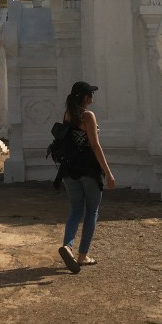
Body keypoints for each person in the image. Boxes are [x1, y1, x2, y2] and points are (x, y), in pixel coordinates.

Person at [58, 81, 115, 274]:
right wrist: (108, 172)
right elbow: (95, 146)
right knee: (91, 212)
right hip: (89, 170)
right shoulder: (87, 116)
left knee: (75, 211)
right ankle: (83, 256)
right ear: (84, 97)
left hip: (69, 171)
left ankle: (68, 246)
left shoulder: (68, 115)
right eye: (90, 93)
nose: (93, 97)